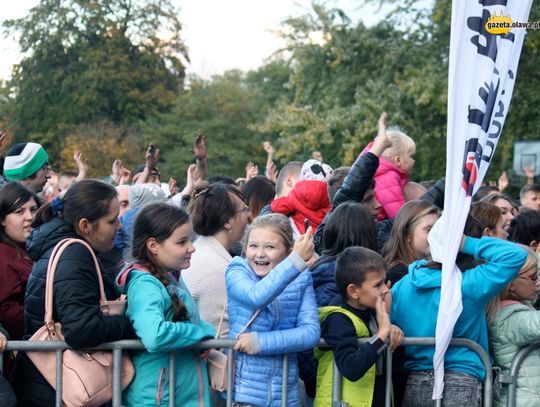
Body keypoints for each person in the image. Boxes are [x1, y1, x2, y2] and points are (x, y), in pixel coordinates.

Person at [12, 179, 135, 406]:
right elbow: (81, 330)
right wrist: (132, 324)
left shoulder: (69, 248)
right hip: (53, 390)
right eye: (111, 220)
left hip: (49, 387)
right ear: (85, 225)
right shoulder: (75, 255)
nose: (119, 226)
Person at [391, 216, 528, 407]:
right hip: (461, 379)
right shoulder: (467, 285)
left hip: (417, 380)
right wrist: (466, 243)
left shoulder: (404, 284)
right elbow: (516, 255)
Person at [115, 202, 215, 406]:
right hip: (158, 398)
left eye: (191, 239)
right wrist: (200, 333)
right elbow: (154, 335)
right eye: (182, 242)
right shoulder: (144, 284)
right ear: (153, 246)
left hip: (176, 394)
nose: (192, 247)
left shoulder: (172, 276)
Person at [226, 213, 320, 407]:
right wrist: (295, 262)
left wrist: (261, 342)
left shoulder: (301, 277)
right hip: (244, 395)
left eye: (270, 247)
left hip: (286, 396)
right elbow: (256, 297)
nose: (260, 253)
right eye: (253, 246)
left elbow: (311, 332)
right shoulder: (237, 270)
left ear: (287, 251)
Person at [314, 246, 403, 407]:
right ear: (354, 291)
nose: (385, 289)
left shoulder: (373, 315)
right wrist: (381, 335)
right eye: (377, 285)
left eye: (384, 282)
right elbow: (351, 368)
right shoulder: (338, 319)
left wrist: (391, 329)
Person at [183, 183, 249, 336]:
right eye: (244, 210)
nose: (249, 216)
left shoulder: (204, 248)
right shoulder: (217, 269)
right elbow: (219, 336)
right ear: (227, 221)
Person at [486, 246, 540, 407]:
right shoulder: (508, 318)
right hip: (523, 401)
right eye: (533, 277)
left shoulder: (514, 310)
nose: (537, 282)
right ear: (511, 283)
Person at [0, 182, 40, 340]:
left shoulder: (34, 249)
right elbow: (6, 312)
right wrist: (48, 319)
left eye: (33, 210)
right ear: (2, 219)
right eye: (19, 212)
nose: (29, 217)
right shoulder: (4, 255)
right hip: (23, 350)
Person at [364, 121, 416, 220]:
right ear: (398, 160)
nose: (413, 161)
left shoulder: (381, 173)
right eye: (411, 156)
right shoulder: (388, 178)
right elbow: (398, 215)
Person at [382, 200, 441, 285]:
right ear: (407, 234)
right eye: (429, 230)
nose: (437, 235)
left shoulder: (430, 265)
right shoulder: (399, 275)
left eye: (438, 229)